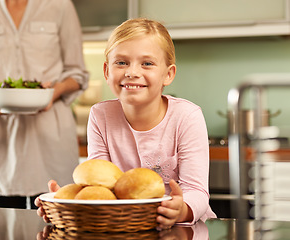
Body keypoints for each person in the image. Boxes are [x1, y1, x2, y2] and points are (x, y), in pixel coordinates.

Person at [36, 17, 216, 229]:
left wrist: (181, 210)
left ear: (168, 74)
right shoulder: (100, 115)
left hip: (184, 228)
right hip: (124, 227)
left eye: (147, 63)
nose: (132, 72)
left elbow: (197, 191)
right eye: (121, 62)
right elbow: (99, 185)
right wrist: (68, 203)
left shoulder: (187, 116)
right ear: (106, 71)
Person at [0, 0, 89, 209]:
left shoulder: (60, 7)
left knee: (54, 229)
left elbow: (77, 74)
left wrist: (53, 92)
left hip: (51, 144)